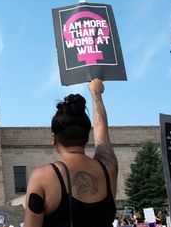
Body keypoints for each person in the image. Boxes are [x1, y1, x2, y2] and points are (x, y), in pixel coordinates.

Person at [24, 78, 117, 227]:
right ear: (87, 136)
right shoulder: (108, 167)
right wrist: (96, 94)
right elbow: (102, 132)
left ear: (54, 138)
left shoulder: (43, 177)